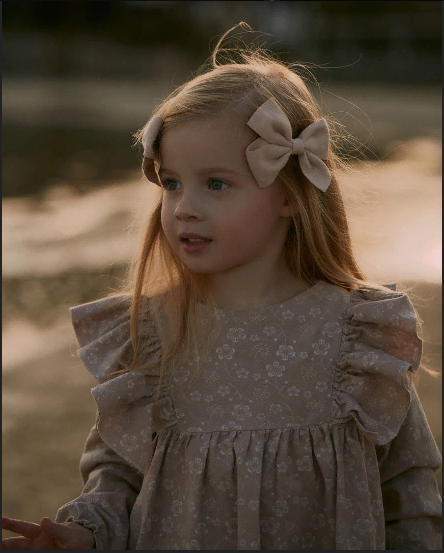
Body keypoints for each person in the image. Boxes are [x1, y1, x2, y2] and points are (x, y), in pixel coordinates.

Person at [2, 22, 442, 551]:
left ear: (289, 194)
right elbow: (114, 478)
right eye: (171, 183)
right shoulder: (153, 334)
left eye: (216, 183)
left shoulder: (359, 337)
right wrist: (84, 533)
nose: (184, 208)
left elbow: (411, 498)